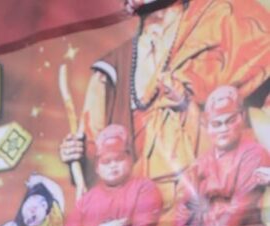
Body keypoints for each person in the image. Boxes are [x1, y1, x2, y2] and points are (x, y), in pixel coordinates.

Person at [59, 0, 270, 212]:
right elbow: (95, 153)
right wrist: (77, 154)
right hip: (144, 213)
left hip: (218, 203)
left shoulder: (223, 20)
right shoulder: (109, 71)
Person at [173, 85, 270, 226]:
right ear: (207, 126)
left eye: (230, 121)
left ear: (242, 117)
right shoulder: (201, 163)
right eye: (217, 124)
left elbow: (240, 207)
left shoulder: (254, 154)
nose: (224, 129)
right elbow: (185, 210)